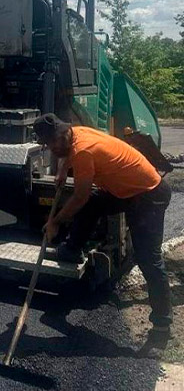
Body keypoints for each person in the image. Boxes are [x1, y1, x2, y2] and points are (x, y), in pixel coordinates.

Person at [34, 113, 173, 351]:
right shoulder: (75, 133)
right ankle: (72, 249)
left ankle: (162, 326)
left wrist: (55, 221)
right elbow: (69, 154)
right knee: (94, 203)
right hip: (129, 192)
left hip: (149, 196)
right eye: (47, 144)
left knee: (148, 259)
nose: (51, 147)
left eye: (52, 142)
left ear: (62, 134)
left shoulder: (83, 151)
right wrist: (61, 171)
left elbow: (79, 196)